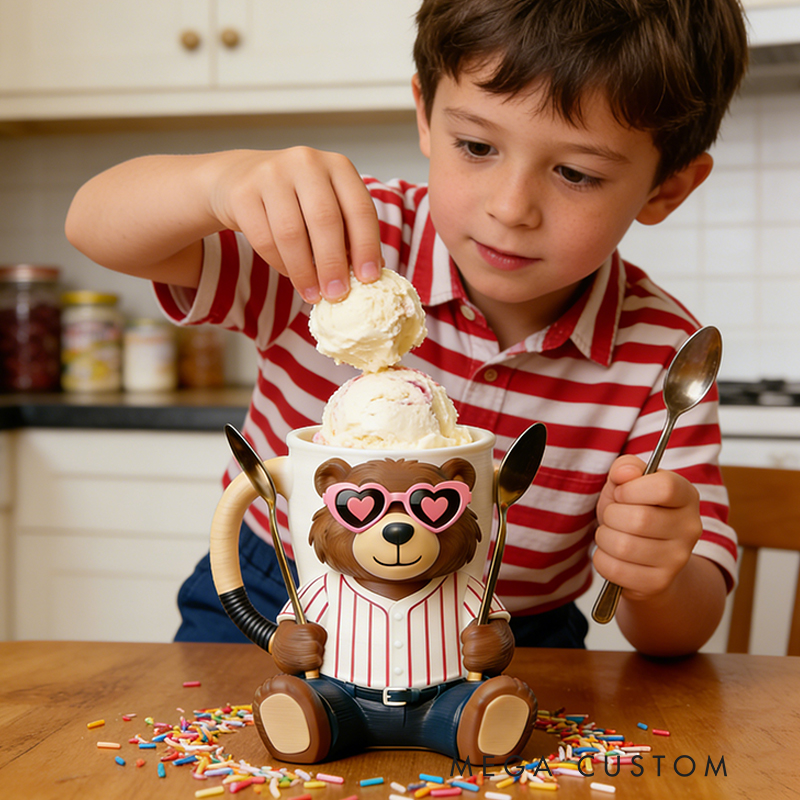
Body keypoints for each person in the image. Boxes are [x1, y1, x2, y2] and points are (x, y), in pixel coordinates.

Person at [65, 0, 748, 658]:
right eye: (477, 145)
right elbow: (95, 226)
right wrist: (219, 182)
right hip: (279, 603)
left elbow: (680, 629)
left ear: (666, 189)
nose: (511, 209)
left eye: (576, 173)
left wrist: (655, 571)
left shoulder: (660, 354)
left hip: (509, 639)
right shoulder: (338, 240)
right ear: (425, 112)